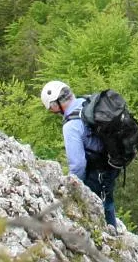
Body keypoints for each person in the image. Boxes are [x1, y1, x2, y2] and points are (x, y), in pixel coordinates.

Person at [40, 80, 122, 230]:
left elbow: (77, 166)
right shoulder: (87, 101)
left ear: (55, 104)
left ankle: (109, 240)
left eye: (51, 108)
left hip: (98, 171)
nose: (53, 111)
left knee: (99, 207)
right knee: (108, 201)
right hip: (112, 161)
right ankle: (112, 233)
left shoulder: (71, 126)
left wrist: (72, 189)